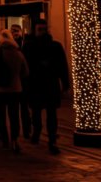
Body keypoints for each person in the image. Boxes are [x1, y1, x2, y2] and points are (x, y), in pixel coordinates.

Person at [22, 20, 68, 154]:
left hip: (50, 84)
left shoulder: (55, 46)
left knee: (51, 114)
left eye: (44, 29)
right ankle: (37, 132)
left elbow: (62, 65)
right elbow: (25, 66)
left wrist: (65, 83)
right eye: (39, 29)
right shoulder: (29, 46)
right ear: (35, 30)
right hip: (36, 84)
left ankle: (52, 139)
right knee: (36, 112)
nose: (42, 31)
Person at [0, 29, 29, 152]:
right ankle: (15, 139)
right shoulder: (18, 53)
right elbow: (26, 72)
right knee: (14, 115)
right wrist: (16, 78)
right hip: (14, 90)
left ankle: (5, 139)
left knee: (0, 116)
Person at [11, 23, 32, 138]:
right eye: (13, 31)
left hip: (24, 81)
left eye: (17, 30)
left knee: (24, 107)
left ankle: (27, 130)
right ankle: (16, 131)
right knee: (14, 109)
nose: (15, 33)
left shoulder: (25, 44)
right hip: (13, 82)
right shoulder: (9, 45)